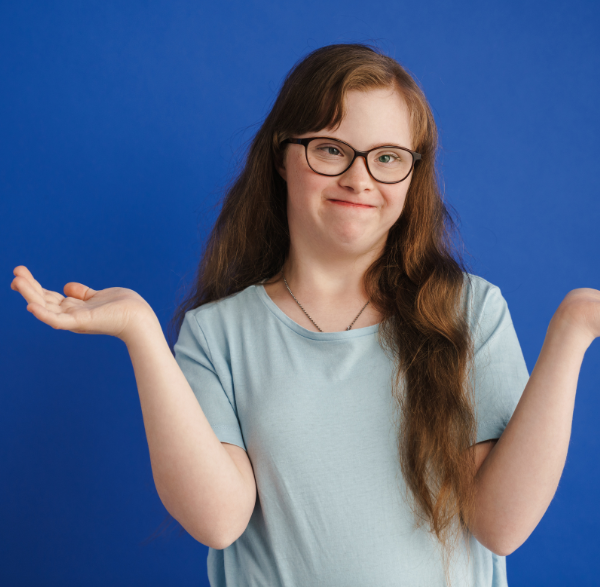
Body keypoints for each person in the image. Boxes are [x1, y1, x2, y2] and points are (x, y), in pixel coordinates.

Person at [10, 43, 600, 587]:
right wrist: (141, 331)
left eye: (388, 158)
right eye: (331, 150)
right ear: (282, 156)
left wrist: (574, 328)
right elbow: (218, 520)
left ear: (413, 174)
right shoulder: (218, 336)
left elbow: (502, 526)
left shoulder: (470, 312)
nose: (359, 178)